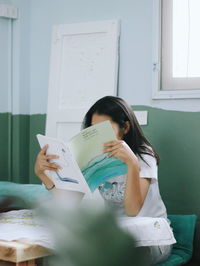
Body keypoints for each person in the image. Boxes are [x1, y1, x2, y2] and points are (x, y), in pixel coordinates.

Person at [34, 96, 173, 265]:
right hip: (120, 237)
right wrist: (42, 174)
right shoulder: (96, 160)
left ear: (126, 127)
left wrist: (131, 163)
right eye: (93, 130)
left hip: (153, 238)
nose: (97, 137)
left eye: (104, 129)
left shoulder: (144, 155)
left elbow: (132, 210)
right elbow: (70, 200)